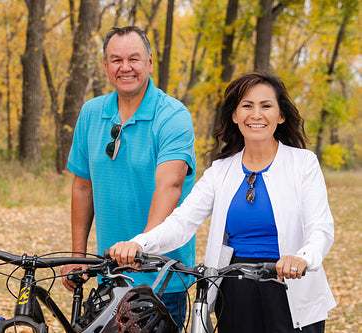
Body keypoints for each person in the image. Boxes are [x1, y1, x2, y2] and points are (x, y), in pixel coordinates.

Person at [110, 71, 336, 332]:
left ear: (281, 115)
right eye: (247, 106)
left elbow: (321, 228)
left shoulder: (303, 163)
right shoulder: (220, 171)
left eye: (266, 106)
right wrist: (139, 242)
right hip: (234, 287)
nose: (256, 114)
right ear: (235, 115)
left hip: (290, 283)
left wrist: (302, 258)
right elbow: (182, 222)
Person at [60, 26, 197, 329]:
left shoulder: (173, 116)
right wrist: (78, 255)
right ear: (106, 66)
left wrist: (141, 246)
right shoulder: (91, 113)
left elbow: (170, 185)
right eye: (116, 59)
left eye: (134, 59)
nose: (125, 67)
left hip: (162, 278)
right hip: (108, 274)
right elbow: (83, 186)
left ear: (149, 62)